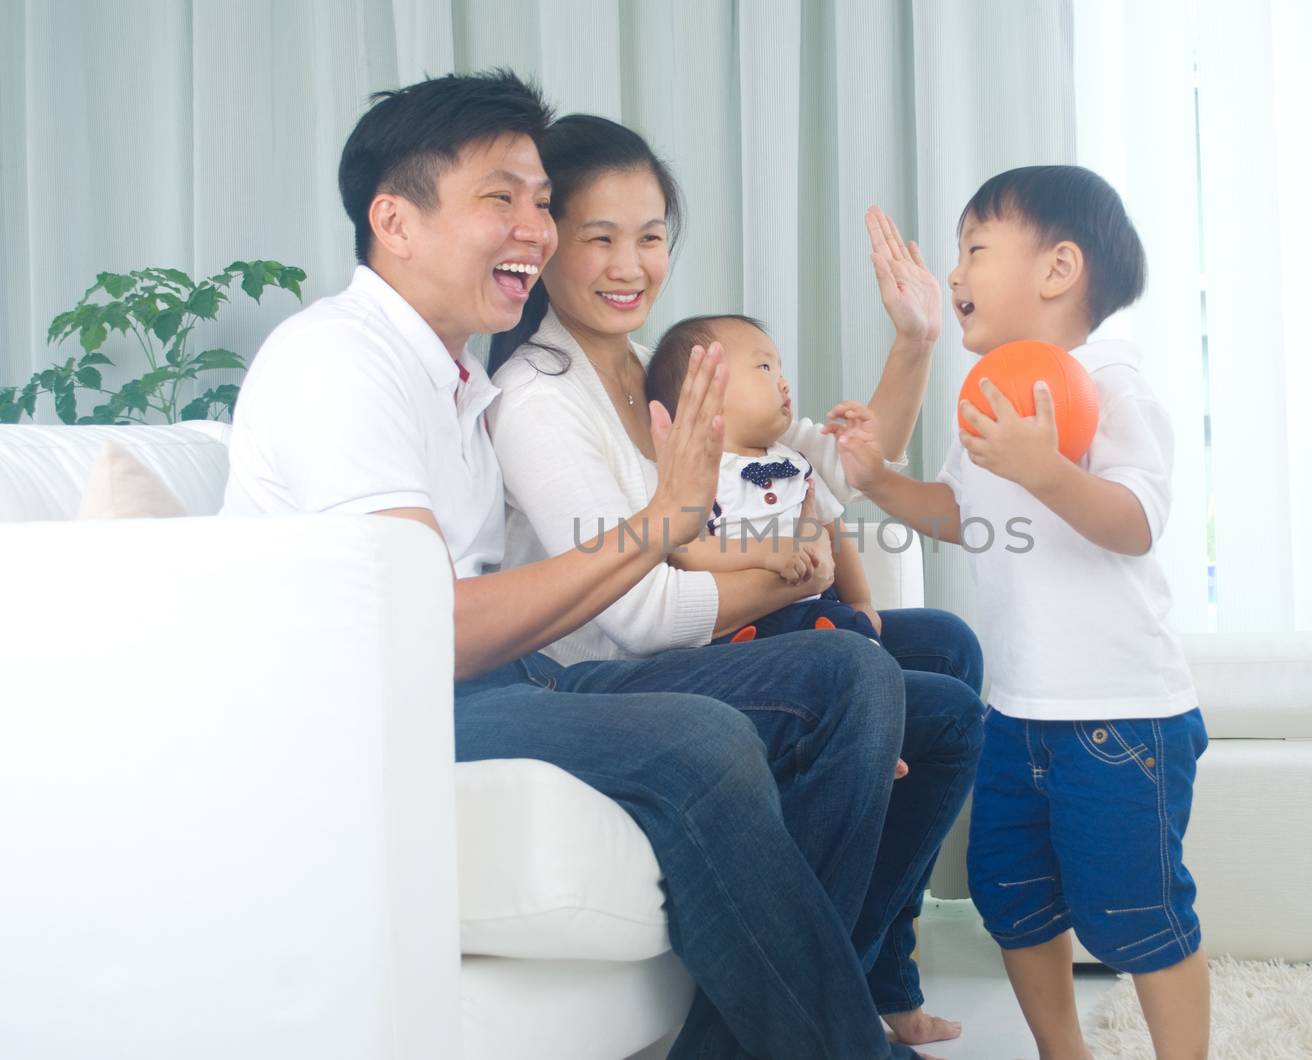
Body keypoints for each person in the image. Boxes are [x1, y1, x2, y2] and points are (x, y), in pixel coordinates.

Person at [221, 69, 936, 1060]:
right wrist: (659, 524)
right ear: (396, 219)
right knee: (702, 742)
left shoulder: (456, 378)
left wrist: (674, 524)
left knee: (851, 674)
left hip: (493, 680)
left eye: (541, 202)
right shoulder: (339, 363)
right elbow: (425, 631)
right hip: (380, 710)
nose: (535, 228)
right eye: (499, 199)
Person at [486, 113, 983, 1049]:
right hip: (603, 671)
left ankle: (859, 977)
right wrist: (797, 571)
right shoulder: (538, 401)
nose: (628, 264)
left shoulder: (669, 369)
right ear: (548, 243)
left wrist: (915, 341)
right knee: (856, 674)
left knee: (947, 671)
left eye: (650, 237)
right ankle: (789, 1024)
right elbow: (644, 614)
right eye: (598, 237)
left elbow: (830, 475)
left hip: (714, 635)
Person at [830, 165, 1211, 1060]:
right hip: (1019, 715)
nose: (954, 275)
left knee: (1139, 913)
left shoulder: (1112, 383)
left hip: (1124, 718)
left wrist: (1048, 470)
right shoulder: (992, 390)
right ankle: (1061, 1052)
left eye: (974, 249)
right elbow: (963, 516)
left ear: (1058, 269)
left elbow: (1138, 521)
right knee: (1013, 896)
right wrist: (882, 480)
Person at [646, 313, 881, 645]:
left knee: (852, 632)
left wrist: (860, 600)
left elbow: (833, 533)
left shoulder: (797, 463)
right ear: (705, 393)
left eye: (781, 371)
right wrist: (767, 554)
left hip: (816, 608)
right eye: (765, 368)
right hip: (742, 617)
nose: (784, 383)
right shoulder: (695, 473)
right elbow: (688, 551)